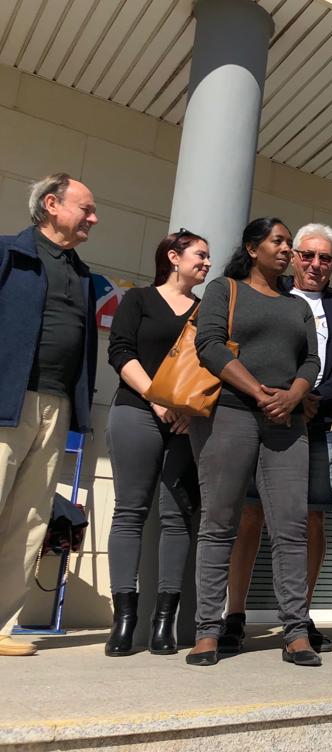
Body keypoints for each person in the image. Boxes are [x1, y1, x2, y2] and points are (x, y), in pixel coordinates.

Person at [188, 217, 321, 668]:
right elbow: (208, 346)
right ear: (252, 247)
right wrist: (259, 391)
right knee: (219, 522)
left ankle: (296, 631)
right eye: (279, 242)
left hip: (286, 422)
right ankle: (208, 629)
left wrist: (294, 394)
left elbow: (311, 360)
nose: (288, 250)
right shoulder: (223, 290)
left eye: (291, 244)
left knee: (291, 527)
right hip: (230, 413)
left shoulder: (297, 304)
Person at [223, 223, 332, 655]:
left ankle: (300, 618)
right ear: (294, 256)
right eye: (308, 255)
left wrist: (310, 397)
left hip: (318, 423)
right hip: (259, 415)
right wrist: (273, 398)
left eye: (326, 258)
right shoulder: (266, 294)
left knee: (310, 520)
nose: (316, 264)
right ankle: (234, 615)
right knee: (250, 515)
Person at [0, 173, 98, 657]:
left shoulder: (82, 274)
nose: (93, 218)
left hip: (56, 406)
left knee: (32, 516)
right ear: (52, 205)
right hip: (6, 401)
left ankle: (0, 625)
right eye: (86, 208)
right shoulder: (8, 253)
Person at [104, 230, 210, 657]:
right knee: (130, 511)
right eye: (200, 255)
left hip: (186, 424)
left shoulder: (207, 311)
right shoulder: (140, 300)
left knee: (177, 517)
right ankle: (123, 620)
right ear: (173, 256)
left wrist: (185, 410)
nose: (206, 262)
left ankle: (163, 621)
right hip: (135, 411)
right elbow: (120, 352)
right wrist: (157, 399)